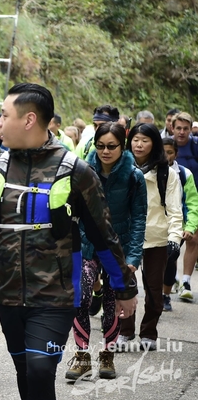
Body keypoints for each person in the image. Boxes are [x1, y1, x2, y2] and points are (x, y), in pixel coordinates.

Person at [0, 83, 137, 400]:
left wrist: (124, 288)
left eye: (5, 115)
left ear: (29, 120)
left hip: (54, 297)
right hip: (8, 296)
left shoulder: (76, 171)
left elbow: (104, 235)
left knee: (39, 369)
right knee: (25, 370)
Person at [64, 122, 147, 381]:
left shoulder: (134, 176)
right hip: (87, 244)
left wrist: (133, 258)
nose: (105, 151)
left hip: (118, 251)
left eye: (112, 146)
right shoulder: (83, 172)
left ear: (122, 146)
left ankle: (107, 355)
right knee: (79, 296)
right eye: (100, 146)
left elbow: (138, 219)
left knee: (113, 303)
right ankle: (82, 357)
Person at [118, 123, 183, 351]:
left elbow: (175, 209)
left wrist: (174, 238)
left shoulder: (168, 174)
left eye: (144, 140)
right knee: (124, 286)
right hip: (127, 238)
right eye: (135, 139)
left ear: (154, 143)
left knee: (154, 290)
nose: (139, 144)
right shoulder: (120, 168)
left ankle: (148, 332)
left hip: (157, 238)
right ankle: (124, 331)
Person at [162, 137, 198, 311]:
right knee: (152, 262)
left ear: (176, 154)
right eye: (162, 152)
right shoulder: (147, 171)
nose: (165, 156)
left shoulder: (184, 174)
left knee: (170, 258)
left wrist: (190, 227)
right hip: (153, 225)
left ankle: (165, 295)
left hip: (176, 226)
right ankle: (153, 294)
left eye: (169, 152)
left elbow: (192, 203)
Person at [171, 112, 198, 302]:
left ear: (190, 130)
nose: (182, 132)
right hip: (172, 200)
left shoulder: (195, 146)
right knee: (172, 241)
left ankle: (186, 281)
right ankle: (171, 277)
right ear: (172, 129)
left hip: (193, 198)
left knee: (193, 238)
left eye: (185, 129)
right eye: (178, 128)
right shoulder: (164, 146)